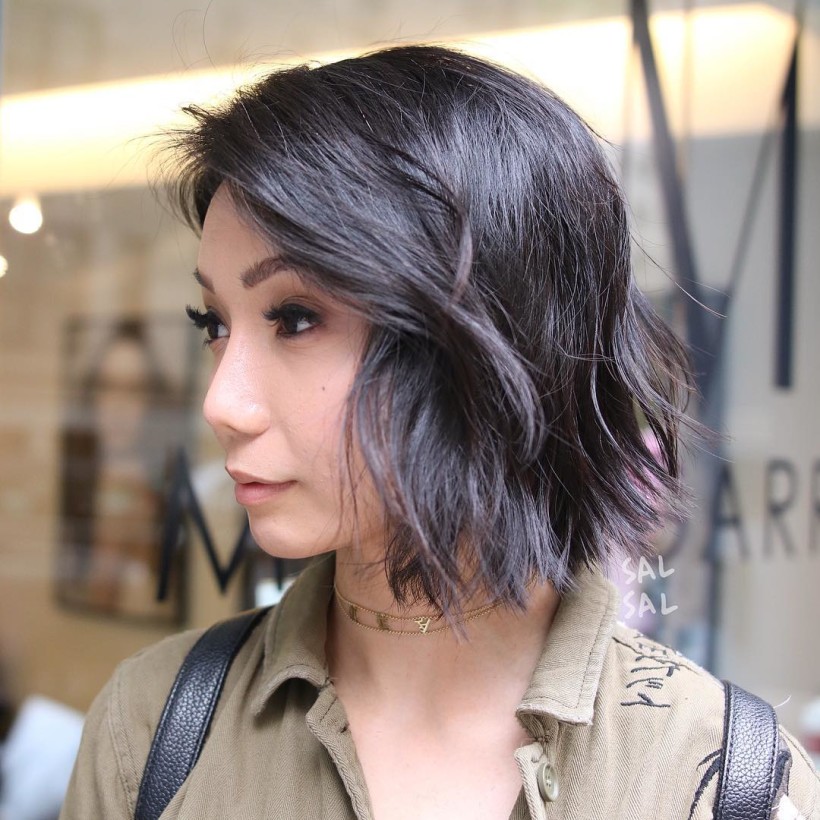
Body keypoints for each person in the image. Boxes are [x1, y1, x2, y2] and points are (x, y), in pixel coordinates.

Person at [59, 45, 819, 819]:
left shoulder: (723, 784)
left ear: (491, 335)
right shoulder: (153, 735)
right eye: (215, 324)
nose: (222, 401)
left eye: (295, 317)